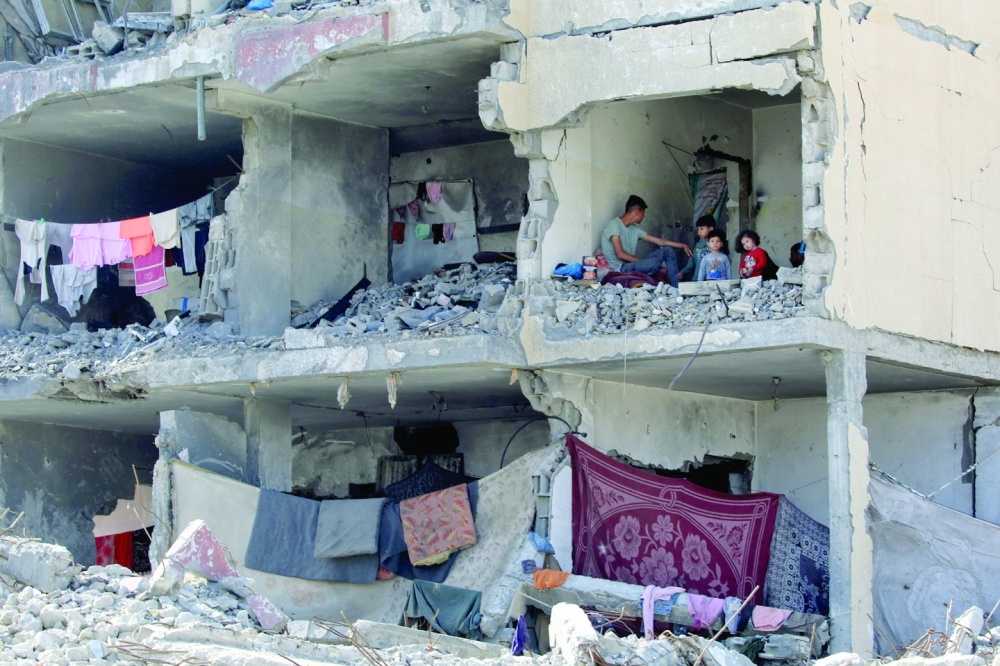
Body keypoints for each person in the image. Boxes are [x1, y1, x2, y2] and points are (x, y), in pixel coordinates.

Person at [599, 195, 692, 287]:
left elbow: (659, 241)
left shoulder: (634, 229)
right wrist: (641, 262)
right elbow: (620, 254)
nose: (644, 216)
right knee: (654, 263)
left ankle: (676, 288)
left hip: (633, 264)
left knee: (668, 250)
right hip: (620, 267)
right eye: (643, 213)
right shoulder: (614, 225)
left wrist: (682, 245)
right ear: (636, 211)